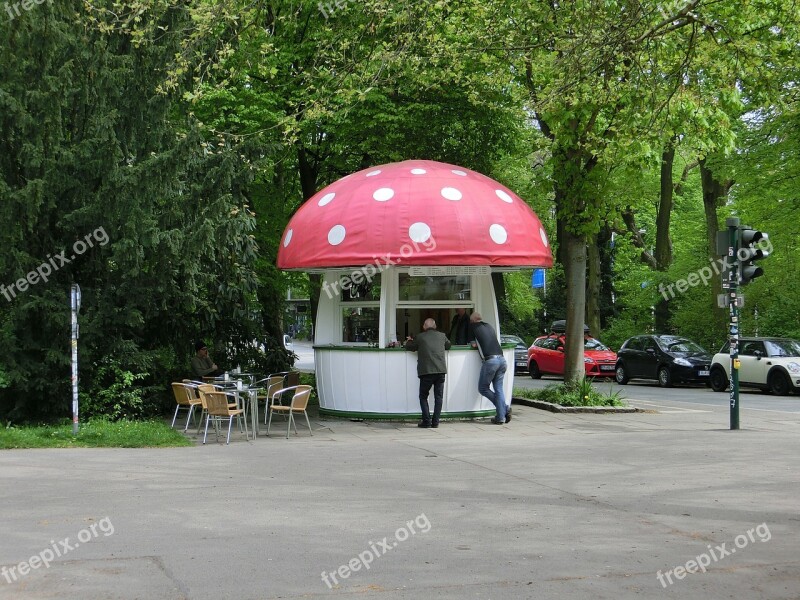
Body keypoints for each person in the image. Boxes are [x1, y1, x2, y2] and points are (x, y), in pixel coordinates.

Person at [404, 318, 451, 428]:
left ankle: (426, 421)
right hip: (440, 371)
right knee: (438, 397)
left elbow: (409, 347)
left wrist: (409, 340)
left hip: (426, 371)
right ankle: (435, 422)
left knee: (423, 396)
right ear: (434, 326)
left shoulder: (420, 337)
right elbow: (448, 345)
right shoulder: (442, 336)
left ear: (424, 326)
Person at [469, 312, 510, 425]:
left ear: (472, 321)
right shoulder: (489, 326)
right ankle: (501, 416)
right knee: (499, 389)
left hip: (491, 361)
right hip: (502, 360)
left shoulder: (473, 327)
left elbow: (473, 344)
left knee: (483, 388)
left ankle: (504, 408)